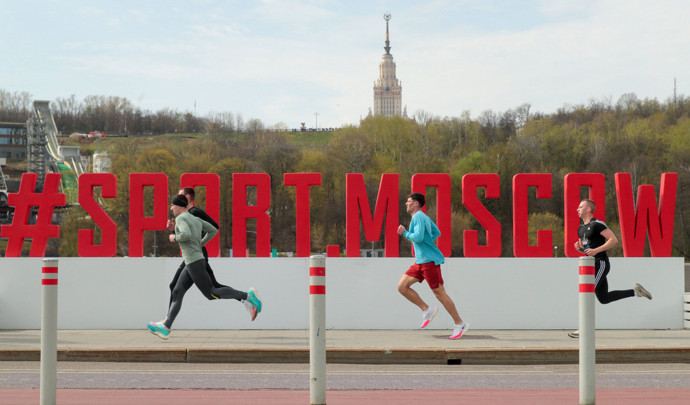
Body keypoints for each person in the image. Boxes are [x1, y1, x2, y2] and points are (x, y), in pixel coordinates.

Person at [147, 194, 262, 339]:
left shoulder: (181, 218)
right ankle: (166, 326)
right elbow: (213, 230)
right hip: (193, 261)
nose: (171, 208)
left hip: (194, 261)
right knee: (177, 290)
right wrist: (200, 243)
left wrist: (174, 237)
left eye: (172, 205)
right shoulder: (194, 219)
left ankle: (247, 296)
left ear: (179, 206)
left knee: (212, 293)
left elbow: (186, 235)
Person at [569, 199, 652, 338]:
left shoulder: (597, 224)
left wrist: (596, 251)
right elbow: (587, 248)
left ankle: (584, 328)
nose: (577, 209)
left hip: (600, 263)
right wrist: (580, 248)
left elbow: (613, 240)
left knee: (587, 293)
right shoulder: (580, 228)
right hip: (591, 266)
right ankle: (636, 292)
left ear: (589, 209)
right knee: (604, 298)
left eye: (580, 206)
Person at [397, 192, 469, 340]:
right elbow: (436, 232)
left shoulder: (418, 217)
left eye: (409, 201)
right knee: (402, 287)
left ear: (416, 203)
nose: (406, 203)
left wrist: (405, 233)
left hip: (428, 262)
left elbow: (418, 237)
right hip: (420, 262)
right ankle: (427, 309)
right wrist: (427, 243)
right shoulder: (424, 218)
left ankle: (459, 323)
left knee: (440, 294)